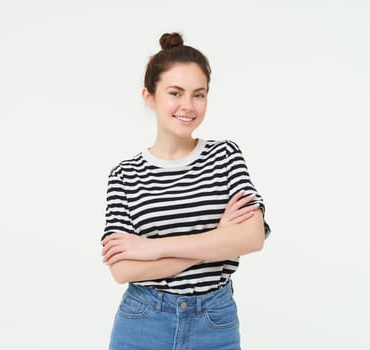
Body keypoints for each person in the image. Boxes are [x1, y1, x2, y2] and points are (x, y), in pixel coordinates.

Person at [101, 32, 271, 350]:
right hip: (143, 322)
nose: (187, 106)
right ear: (149, 96)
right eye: (175, 93)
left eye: (198, 94)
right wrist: (218, 241)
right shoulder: (125, 175)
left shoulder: (225, 156)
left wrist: (154, 249)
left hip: (214, 321)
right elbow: (123, 269)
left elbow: (252, 237)